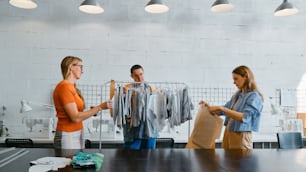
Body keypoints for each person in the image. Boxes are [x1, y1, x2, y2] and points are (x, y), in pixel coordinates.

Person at [53, 56, 111, 149]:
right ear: (71, 67)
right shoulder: (64, 87)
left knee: (76, 163)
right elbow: (75, 118)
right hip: (68, 135)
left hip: (77, 132)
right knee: (68, 163)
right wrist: (99, 107)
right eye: (81, 67)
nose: (82, 71)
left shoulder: (72, 87)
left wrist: (93, 111)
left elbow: (77, 114)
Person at [199, 65, 263, 149]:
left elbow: (245, 117)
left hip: (241, 135)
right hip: (228, 132)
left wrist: (221, 108)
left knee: (241, 161)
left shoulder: (254, 96)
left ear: (246, 77)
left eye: (236, 79)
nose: (234, 82)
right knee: (228, 161)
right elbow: (222, 111)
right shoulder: (237, 95)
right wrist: (208, 108)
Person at [123, 64, 156, 150]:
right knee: (131, 158)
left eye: (141, 74)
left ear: (143, 73)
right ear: (132, 76)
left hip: (149, 130)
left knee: (149, 158)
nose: (139, 77)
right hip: (133, 132)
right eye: (136, 75)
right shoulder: (127, 89)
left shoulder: (151, 89)